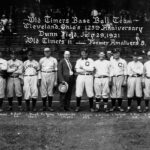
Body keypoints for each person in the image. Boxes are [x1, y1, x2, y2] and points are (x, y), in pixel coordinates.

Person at [39, 47, 57, 111]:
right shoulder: (41, 60)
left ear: (50, 52)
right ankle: (44, 106)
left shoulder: (54, 59)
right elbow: (39, 69)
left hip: (51, 74)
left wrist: (55, 80)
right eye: (45, 52)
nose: (47, 53)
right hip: (43, 74)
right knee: (43, 91)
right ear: (44, 52)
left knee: (50, 91)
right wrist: (39, 78)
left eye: (48, 51)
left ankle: (49, 106)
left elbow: (55, 70)